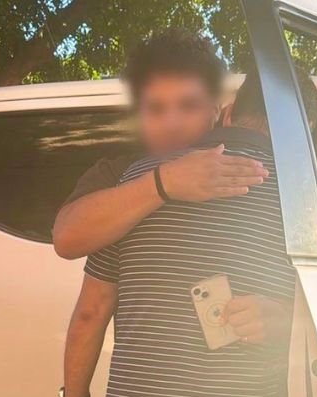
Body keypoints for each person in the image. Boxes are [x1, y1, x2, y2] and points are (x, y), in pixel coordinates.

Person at [51, 61, 317, 397]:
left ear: (227, 114)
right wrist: (289, 321)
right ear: (306, 135)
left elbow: (91, 311)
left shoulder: (133, 182)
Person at [53, 30, 269, 260]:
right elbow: (66, 239)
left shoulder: (245, 169)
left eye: (188, 105)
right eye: (156, 109)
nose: (171, 124)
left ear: (215, 110)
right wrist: (164, 182)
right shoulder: (116, 172)